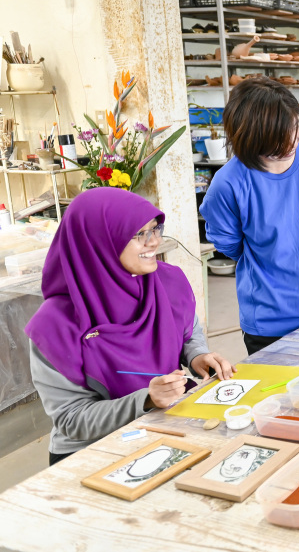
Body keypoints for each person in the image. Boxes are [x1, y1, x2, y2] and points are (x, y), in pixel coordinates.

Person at [25, 188, 235, 465]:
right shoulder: (54, 326)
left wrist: (197, 354)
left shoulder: (167, 282)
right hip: (91, 450)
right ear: (98, 242)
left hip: (164, 424)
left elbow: (187, 331)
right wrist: (144, 400)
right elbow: (71, 419)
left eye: (155, 229)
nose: (154, 242)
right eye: (139, 234)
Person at [200, 77, 299, 355]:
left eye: (296, 128)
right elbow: (227, 243)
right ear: (251, 138)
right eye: (280, 140)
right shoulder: (227, 183)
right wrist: (270, 256)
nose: (294, 141)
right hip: (271, 318)